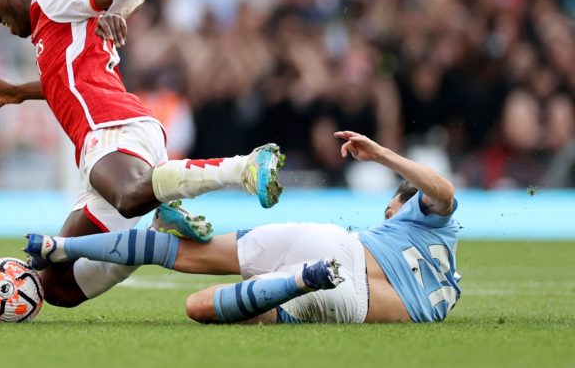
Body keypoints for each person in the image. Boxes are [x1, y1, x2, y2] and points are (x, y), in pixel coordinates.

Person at [0, 0, 285, 308]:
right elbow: (66, 81)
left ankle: (244, 167)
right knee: (56, 286)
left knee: (130, 196)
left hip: (113, 128)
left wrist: (116, 11)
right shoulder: (51, 29)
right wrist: (21, 91)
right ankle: (154, 237)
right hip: (105, 143)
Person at [24, 130, 461, 324]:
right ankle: (299, 281)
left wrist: (382, 154)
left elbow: (442, 188)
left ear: (408, 206)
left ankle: (62, 247)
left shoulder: (433, 217)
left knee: (180, 255)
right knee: (200, 307)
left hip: (331, 246)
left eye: (391, 210)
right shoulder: (442, 295)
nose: (388, 215)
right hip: (344, 288)